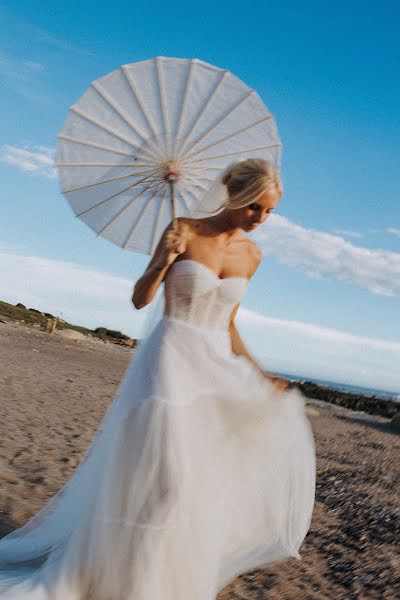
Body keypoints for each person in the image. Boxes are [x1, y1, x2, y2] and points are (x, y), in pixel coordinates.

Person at [0, 158, 316, 599]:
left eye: (269, 212)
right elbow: (139, 299)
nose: (261, 219)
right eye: (255, 208)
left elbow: (228, 324)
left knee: (195, 484)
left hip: (214, 367)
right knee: (167, 478)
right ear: (235, 195)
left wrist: (260, 375)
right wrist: (162, 262)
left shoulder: (252, 255)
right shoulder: (183, 230)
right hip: (169, 358)